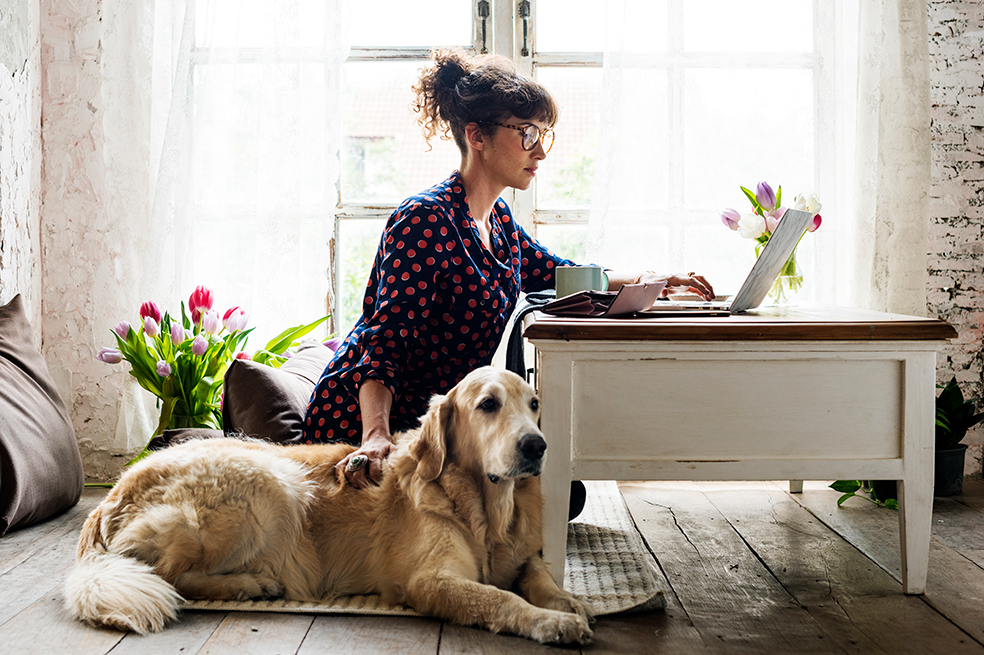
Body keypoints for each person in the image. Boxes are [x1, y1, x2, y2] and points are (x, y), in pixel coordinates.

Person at [302, 49, 714, 488]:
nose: (540, 151)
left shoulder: (498, 222)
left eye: (544, 134)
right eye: (527, 133)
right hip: (363, 424)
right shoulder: (424, 220)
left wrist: (655, 280)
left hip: (443, 428)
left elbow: (562, 273)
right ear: (477, 136)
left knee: (557, 489)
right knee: (546, 492)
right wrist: (375, 436)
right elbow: (385, 342)